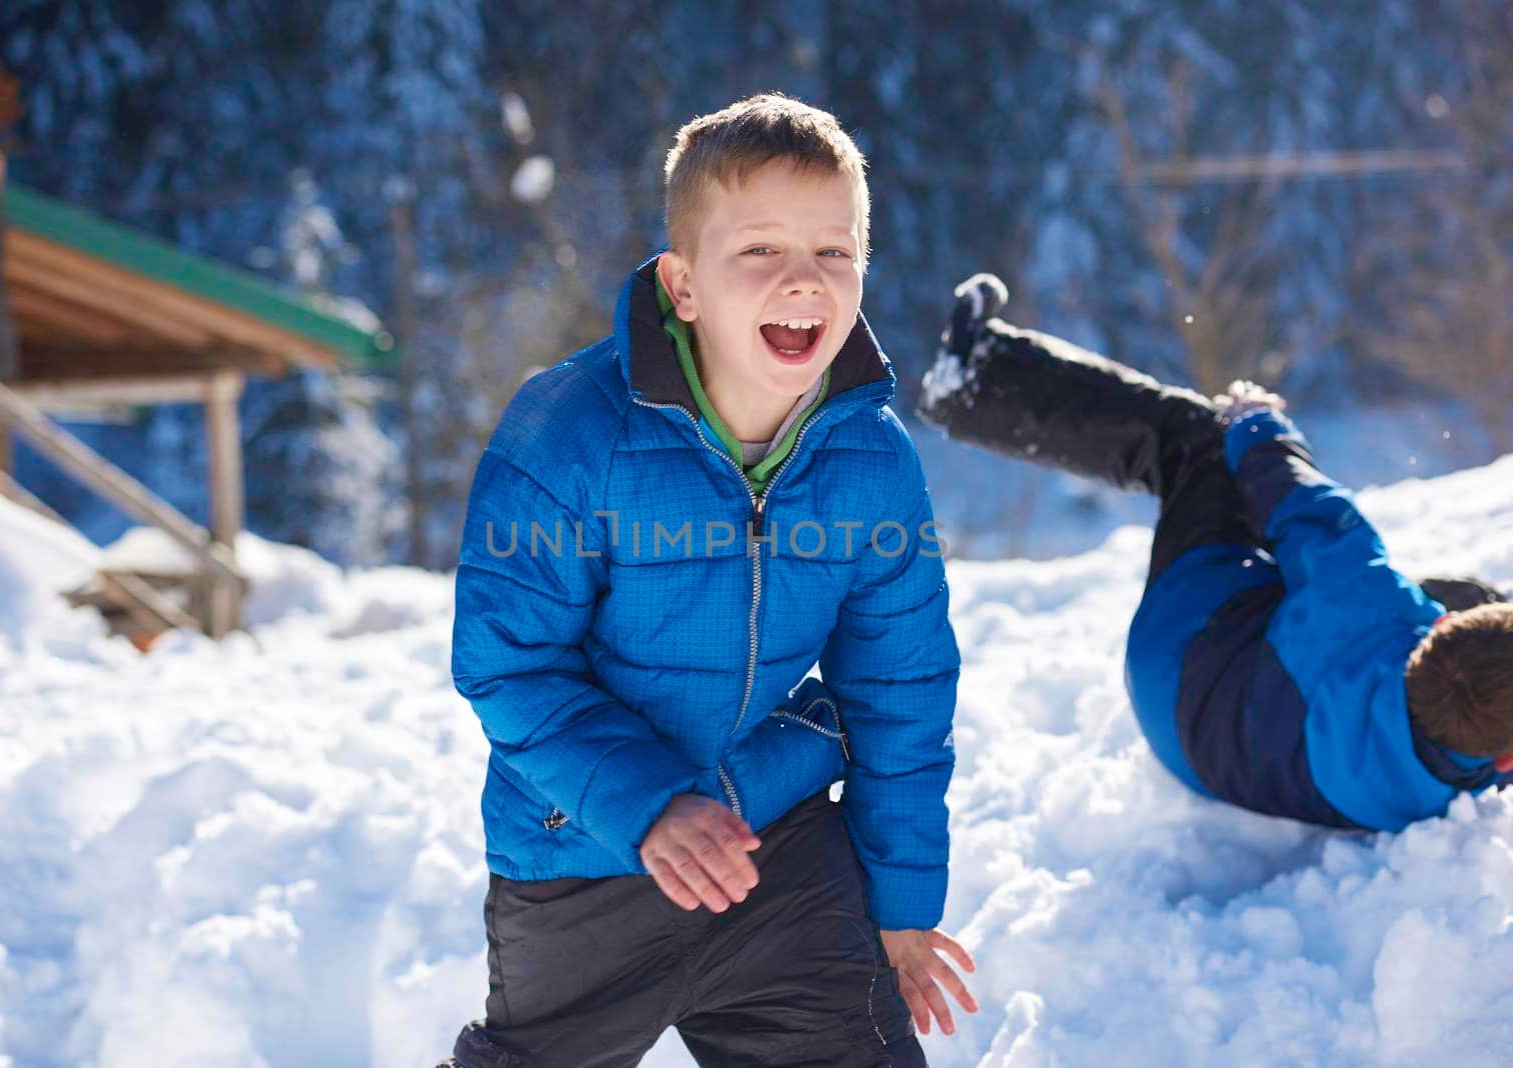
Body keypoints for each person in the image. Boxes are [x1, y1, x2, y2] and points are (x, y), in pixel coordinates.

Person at [445, 95, 976, 1068]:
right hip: (583, 854)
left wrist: (901, 908)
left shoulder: (871, 461)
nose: (803, 282)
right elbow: (508, 668)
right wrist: (650, 803)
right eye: (761, 252)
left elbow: (898, 691)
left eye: (833, 252)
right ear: (683, 287)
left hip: (770, 842)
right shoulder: (567, 434)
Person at [918, 272, 1513, 832]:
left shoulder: (1369, 605)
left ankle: (974, 379)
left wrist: (1258, 427)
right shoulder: (1468, 781)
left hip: (1184, 654)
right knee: (1458, 600)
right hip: (1207, 754)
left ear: (1446, 629)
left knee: (1201, 442)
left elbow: (1307, 509)